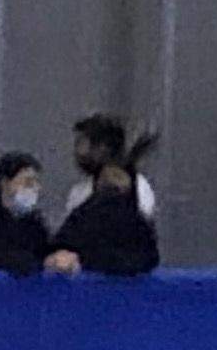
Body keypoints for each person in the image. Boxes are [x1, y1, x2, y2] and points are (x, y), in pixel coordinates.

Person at [55, 115, 160, 276]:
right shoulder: (80, 191)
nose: (77, 152)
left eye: (82, 144)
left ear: (101, 148)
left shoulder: (139, 188)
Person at [0, 153, 70, 275]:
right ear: (5, 182)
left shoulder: (34, 223)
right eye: (27, 183)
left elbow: (44, 252)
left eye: (36, 182)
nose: (35, 188)